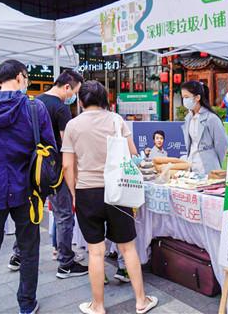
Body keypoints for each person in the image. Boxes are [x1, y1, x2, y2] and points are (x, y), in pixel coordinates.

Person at [0, 60, 56, 314]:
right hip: (27, 189)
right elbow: (49, 148)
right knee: (28, 248)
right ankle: (26, 304)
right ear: (20, 77)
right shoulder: (34, 108)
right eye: (26, 78)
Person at [61, 81, 157, 314]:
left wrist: (74, 193)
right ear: (105, 99)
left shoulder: (73, 125)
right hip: (118, 191)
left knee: (95, 251)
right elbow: (133, 155)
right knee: (127, 248)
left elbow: (67, 166)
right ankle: (141, 301)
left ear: (81, 101)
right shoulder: (116, 120)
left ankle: (98, 305)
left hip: (87, 192)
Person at [8, 70, 88, 280]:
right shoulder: (61, 109)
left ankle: (17, 255)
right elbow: (67, 145)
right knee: (64, 215)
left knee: (32, 212)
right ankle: (66, 263)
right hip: (54, 171)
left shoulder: (33, 102)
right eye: (75, 92)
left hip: (33, 168)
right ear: (67, 87)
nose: (74, 97)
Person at [181, 81, 228, 176]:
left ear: (197, 97)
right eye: (183, 97)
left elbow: (222, 145)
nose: (184, 100)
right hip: (191, 165)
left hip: (208, 166)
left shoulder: (211, 118)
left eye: (187, 97)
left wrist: (215, 162)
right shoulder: (188, 118)